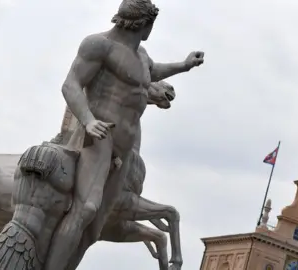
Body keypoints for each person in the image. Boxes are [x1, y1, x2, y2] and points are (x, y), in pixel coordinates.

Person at [43, 0, 204, 269]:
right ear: (145, 23)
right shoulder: (98, 45)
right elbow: (70, 85)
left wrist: (184, 65)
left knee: (97, 226)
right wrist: (89, 121)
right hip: (100, 135)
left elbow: (153, 72)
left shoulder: (141, 55)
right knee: (86, 209)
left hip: (126, 146)